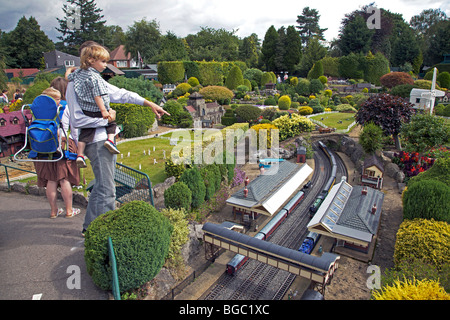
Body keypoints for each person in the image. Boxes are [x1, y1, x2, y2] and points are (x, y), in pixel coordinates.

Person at [65, 41, 170, 236]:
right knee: (107, 189)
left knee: (101, 185)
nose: (105, 64)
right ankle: (107, 233)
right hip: (95, 142)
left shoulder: (94, 80)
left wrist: (149, 103)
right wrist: (107, 120)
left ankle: (90, 227)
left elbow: (121, 94)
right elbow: (77, 119)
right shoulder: (74, 85)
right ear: (88, 58)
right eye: (101, 60)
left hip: (100, 140)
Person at [34, 80, 81, 219]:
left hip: (43, 148)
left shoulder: (36, 111)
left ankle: (54, 211)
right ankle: (69, 210)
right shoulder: (63, 109)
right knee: (63, 179)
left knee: (51, 179)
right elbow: (71, 129)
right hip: (61, 146)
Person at [67, 44, 119, 169]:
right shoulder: (95, 77)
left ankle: (80, 155)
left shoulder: (79, 73)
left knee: (85, 133)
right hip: (97, 109)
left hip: (86, 110)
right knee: (112, 122)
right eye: (103, 61)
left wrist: (69, 70)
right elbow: (97, 95)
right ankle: (110, 140)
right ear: (91, 60)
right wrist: (104, 111)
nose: (105, 65)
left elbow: (68, 77)